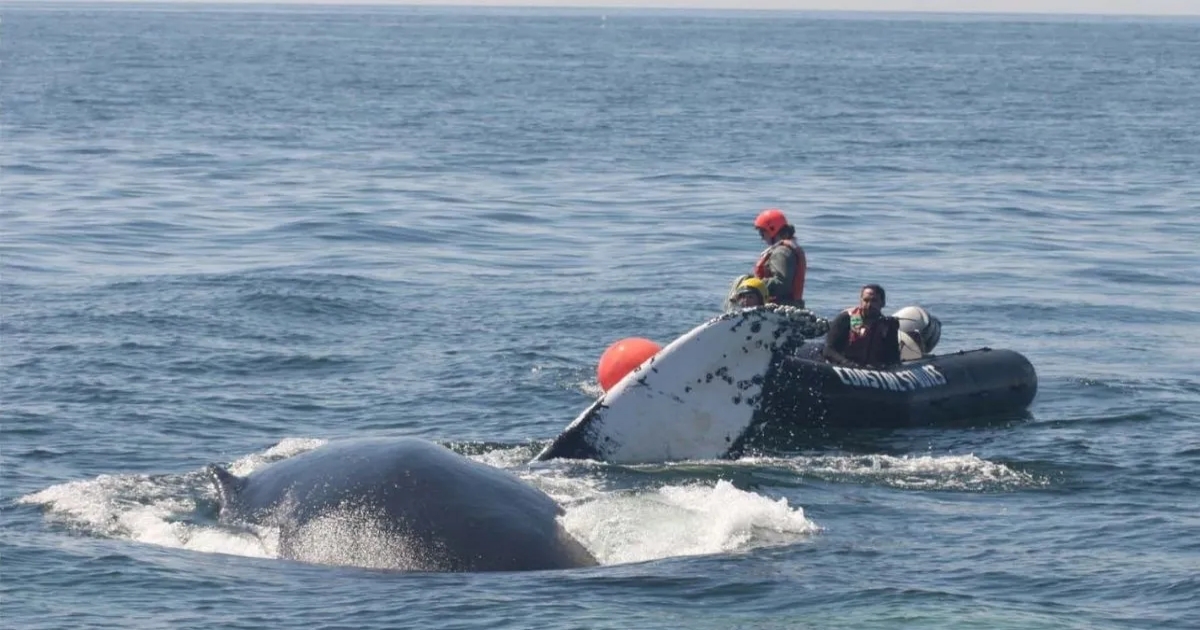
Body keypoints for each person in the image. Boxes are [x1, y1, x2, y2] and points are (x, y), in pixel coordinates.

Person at [822, 284, 901, 368]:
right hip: (845, 366)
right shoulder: (845, 318)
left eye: (874, 301)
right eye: (866, 300)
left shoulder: (888, 325)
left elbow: (893, 357)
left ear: (882, 303)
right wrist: (849, 364)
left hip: (873, 370)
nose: (869, 305)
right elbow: (828, 350)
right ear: (861, 301)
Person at [751, 208, 807, 308]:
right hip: (790, 306)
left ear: (772, 230)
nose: (761, 237)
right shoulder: (787, 249)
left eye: (762, 233)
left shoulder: (781, 252)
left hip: (781, 307)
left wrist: (754, 285)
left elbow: (781, 284)